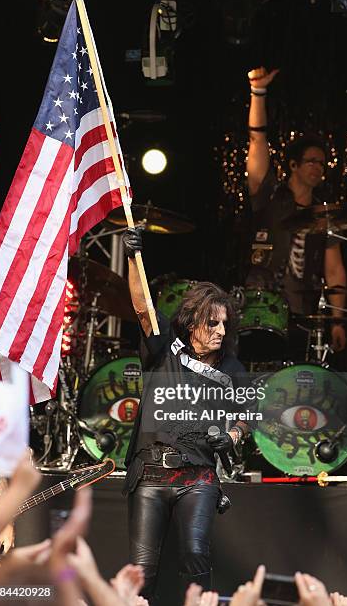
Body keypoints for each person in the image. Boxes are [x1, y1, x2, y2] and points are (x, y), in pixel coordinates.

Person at [121, 228, 251, 604]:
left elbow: (247, 415)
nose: (220, 331)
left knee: (196, 554)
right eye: (213, 323)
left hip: (199, 476)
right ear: (193, 321)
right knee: (141, 571)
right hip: (150, 473)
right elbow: (143, 305)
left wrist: (234, 436)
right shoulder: (165, 348)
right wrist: (133, 259)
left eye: (225, 324)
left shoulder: (231, 366)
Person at [246, 66, 347, 358]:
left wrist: (337, 322)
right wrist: (258, 93)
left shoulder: (323, 214)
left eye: (323, 164)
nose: (319, 168)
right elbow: (257, 140)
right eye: (312, 161)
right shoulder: (269, 196)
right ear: (293, 164)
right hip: (259, 309)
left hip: (302, 316)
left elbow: (334, 269)